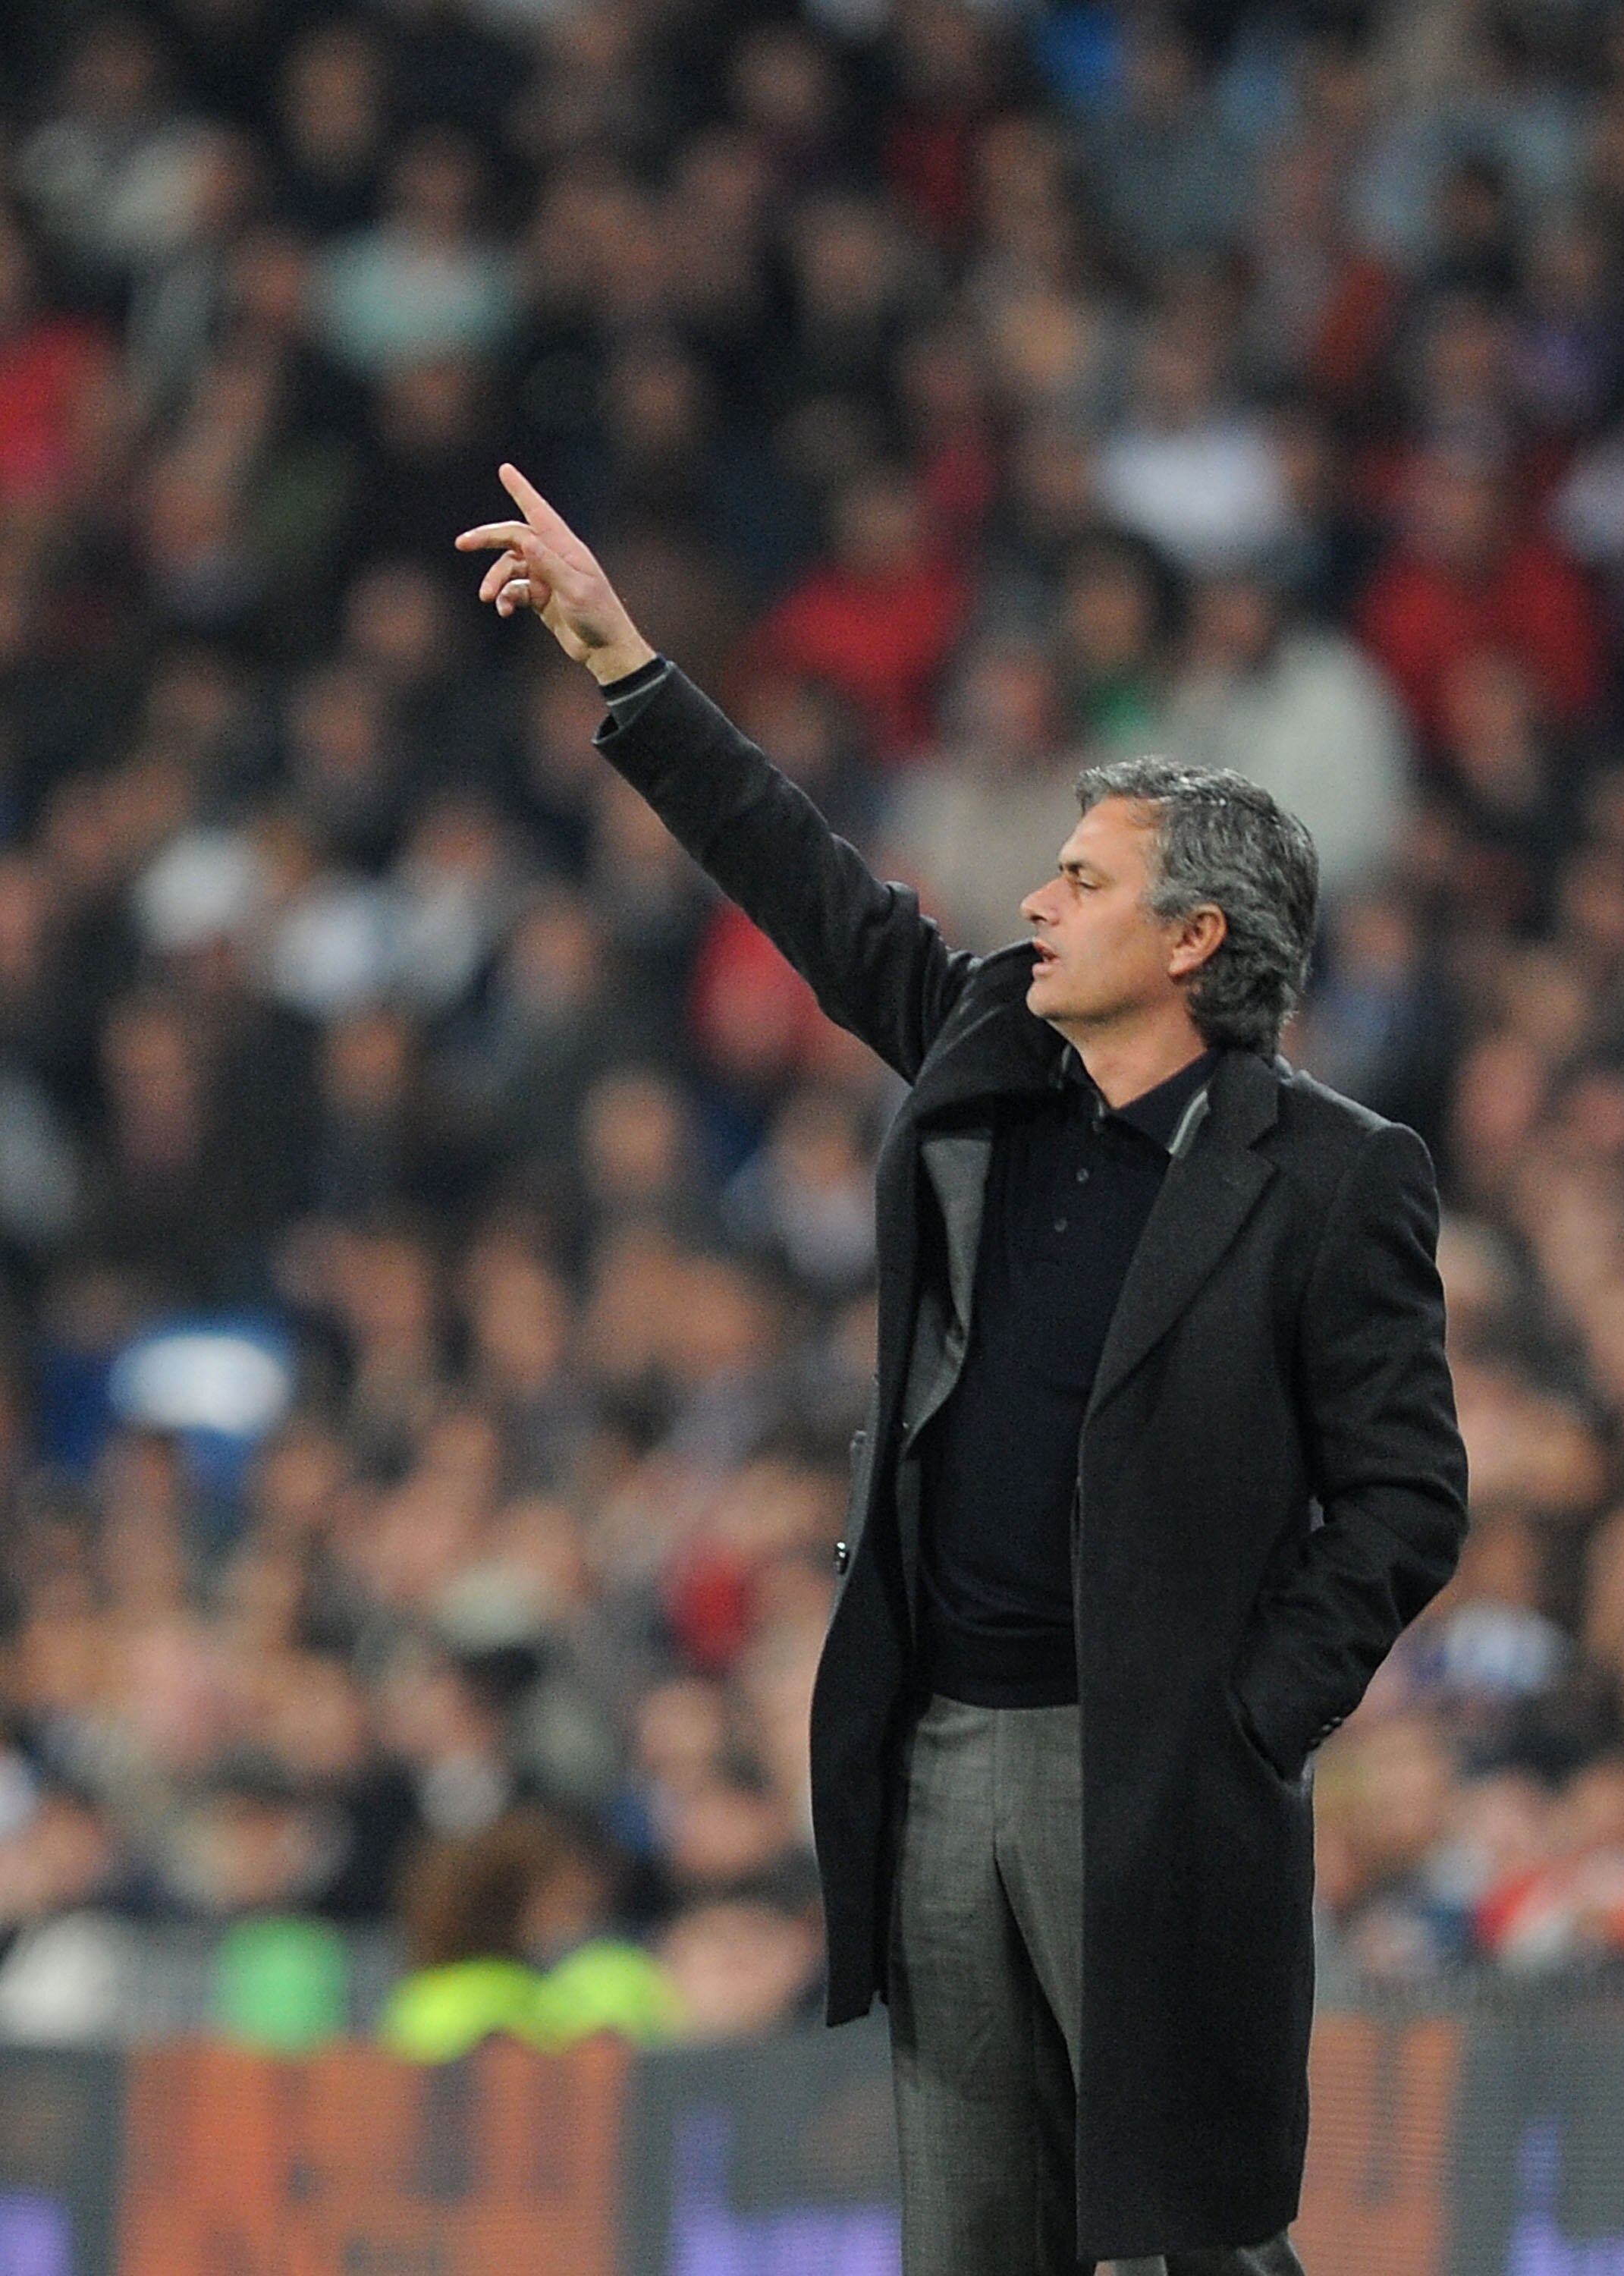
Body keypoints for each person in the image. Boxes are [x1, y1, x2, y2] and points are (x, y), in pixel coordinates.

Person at [457, 466, 1469, 2276]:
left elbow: (1407, 1496)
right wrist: (625, 667)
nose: (1037, 898)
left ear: (1192, 943)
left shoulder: (1335, 1174)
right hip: (942, 1750)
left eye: (1083, 879)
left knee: (1193, 2245)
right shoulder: (991, 1052)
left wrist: (1245, 1719)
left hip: (1149, 1767)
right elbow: (820, 896)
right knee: (973, 2246)